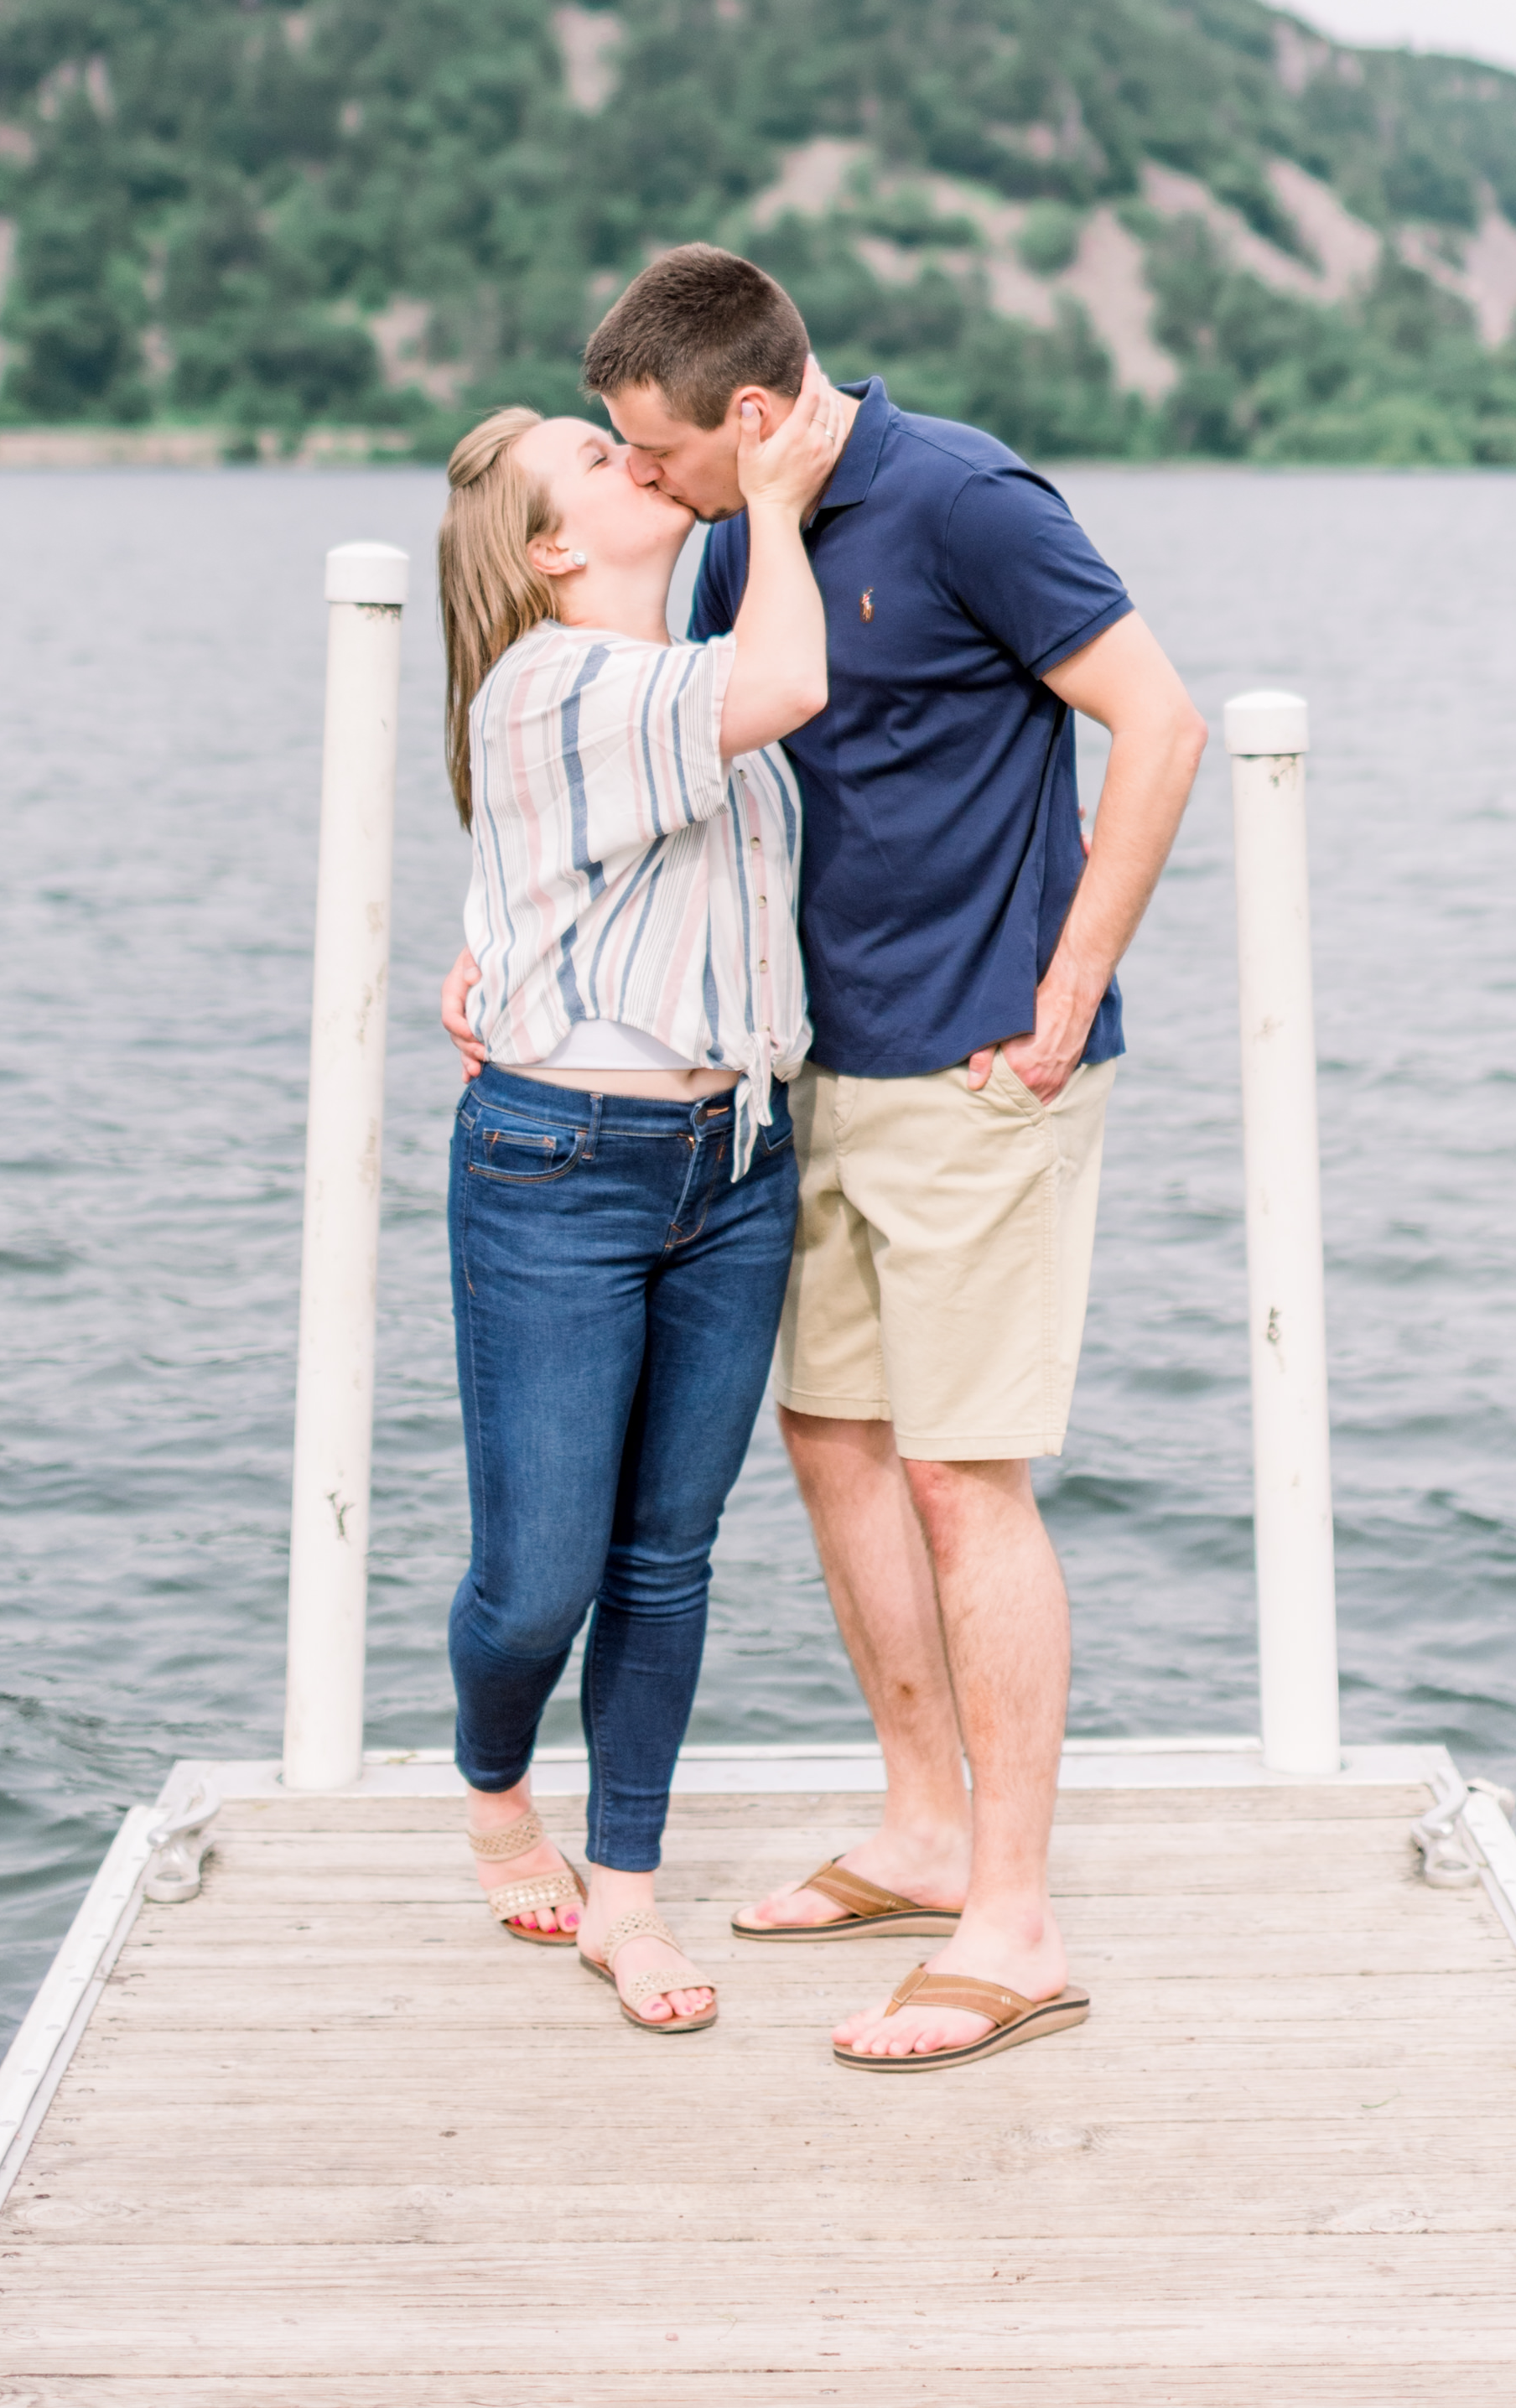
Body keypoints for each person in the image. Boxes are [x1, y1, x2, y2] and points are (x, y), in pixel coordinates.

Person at [452, 242, 1207, 2073]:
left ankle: (1010, 1923)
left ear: (754, 418)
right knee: (837, 1443)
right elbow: (659, 783)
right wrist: (508, 947)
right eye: (621, 458)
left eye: (660, 446)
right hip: (802, 1085)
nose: (652, 477)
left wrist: (1077, 967)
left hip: (977, 1067)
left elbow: (1161, 723)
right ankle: (924, 1823)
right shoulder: (734, 535)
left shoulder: (963, 500)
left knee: (964, 1475)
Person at [433, 360, 844, 2035]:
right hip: (560, 1172)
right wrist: (771, 497)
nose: (630, 454)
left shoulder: (672, 680)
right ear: (546, 547)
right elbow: (796, 679)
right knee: (538, 1579)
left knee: (664, 1560)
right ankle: (487, 1783)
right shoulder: (552, 685)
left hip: (732, 1161)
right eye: (596, 454)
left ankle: (627, 1901)